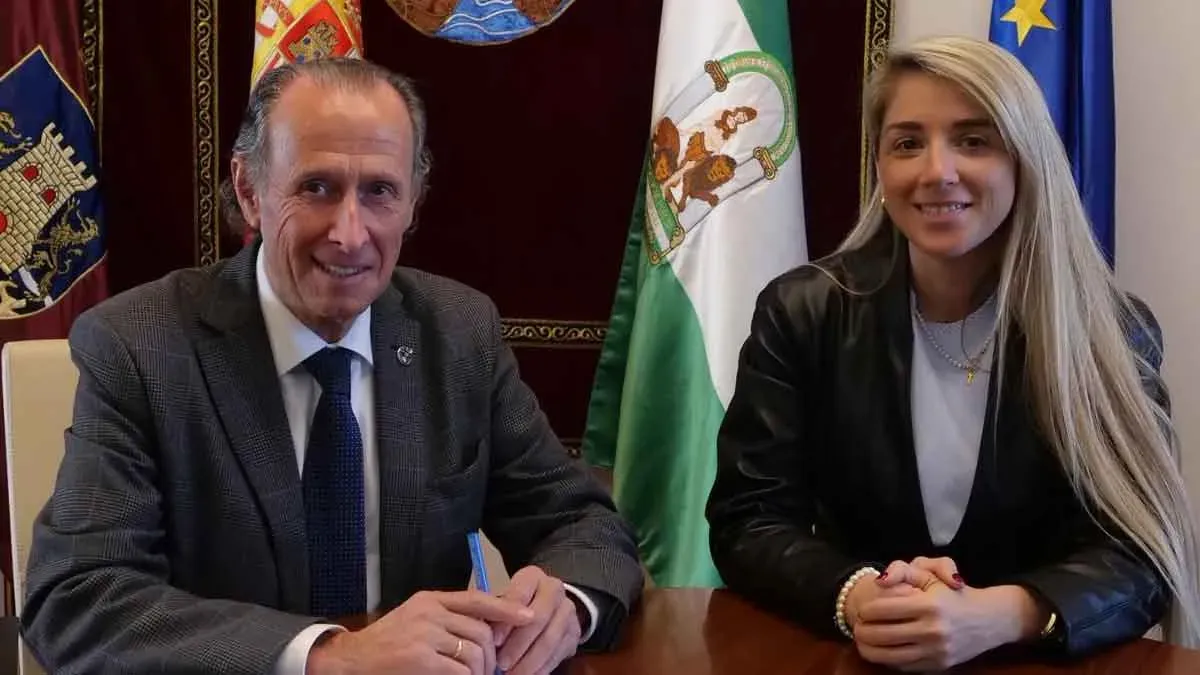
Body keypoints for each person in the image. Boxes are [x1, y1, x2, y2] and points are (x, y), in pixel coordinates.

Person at [22, 57, 643, 675]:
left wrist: (566, 603)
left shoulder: (458, 333)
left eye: (380, 192)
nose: (350, 234)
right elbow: (78, 597)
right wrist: (327, 654)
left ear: (413, 202)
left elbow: (580, 522)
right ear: (250, 191)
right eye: (316, 187)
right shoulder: (140, 345)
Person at [706, 35, 1200, 671]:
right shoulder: (803, 311)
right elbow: (749, 520)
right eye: (907, 143)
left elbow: (1141, 551)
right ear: (880, 165)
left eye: (973, 140)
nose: (936, 171)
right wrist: (859, 596)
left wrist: (1006, 612)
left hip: (1032, 663)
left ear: (1025, 160)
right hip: (857, 657)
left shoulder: (1111, 331)